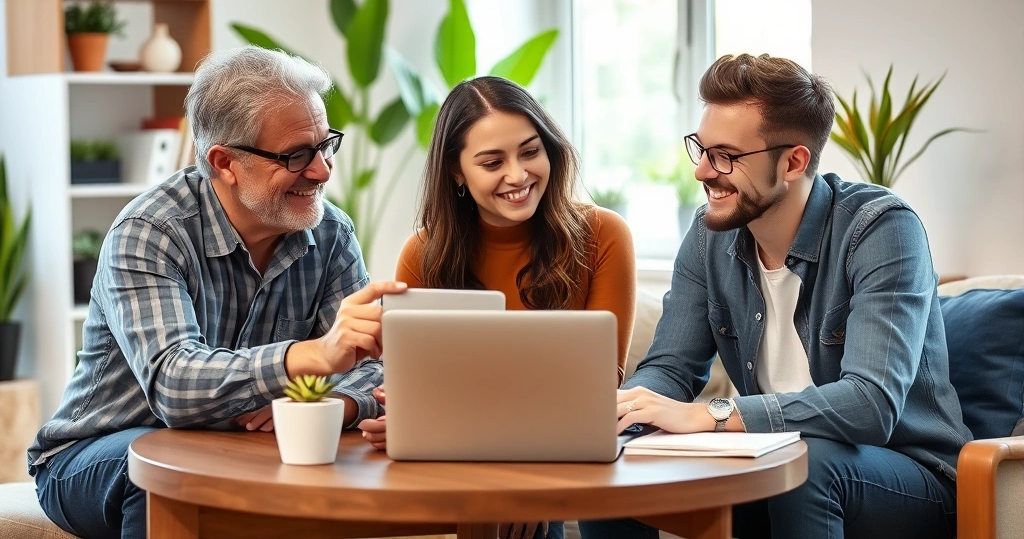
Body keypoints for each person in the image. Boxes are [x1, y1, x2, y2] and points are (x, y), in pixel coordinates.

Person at [579, 54, 972, 539]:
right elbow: (672, 367)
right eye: (700, 149)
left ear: (793, 161)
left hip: (909, 476)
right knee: (617, 459)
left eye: (725, 155)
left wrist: (709, 415)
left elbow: (871, 405)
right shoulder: (708, 236)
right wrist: (624, 411)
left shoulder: (882, 229)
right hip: (769, 466)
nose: (702, 171)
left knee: (803, 461)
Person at [28, 45, 405, 539]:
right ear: (224, 162)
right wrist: (307, 359)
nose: (322, 171)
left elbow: (374, 369)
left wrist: (330, 405)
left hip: (236, 449)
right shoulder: (151, 230)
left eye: (326, 144)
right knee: (165, 471)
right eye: (296, 155)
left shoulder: (330, 233)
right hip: (101, 452)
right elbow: (174, 386)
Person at [359, 76, 637, 539]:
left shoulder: (604, 235)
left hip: (562, 449)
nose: (518, 174)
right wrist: (409, 422)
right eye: (492, 162)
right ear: (456, 172)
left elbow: (598, 385)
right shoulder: (422, 254)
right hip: (455, 464)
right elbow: (420, 387)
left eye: (530, 152)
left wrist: (528, 483)